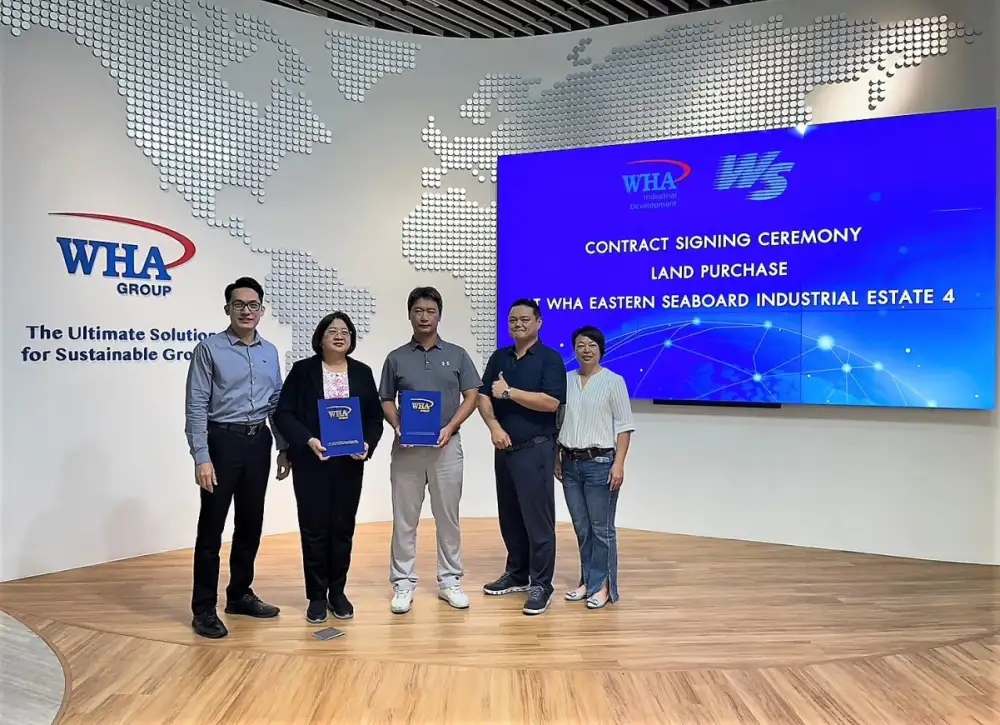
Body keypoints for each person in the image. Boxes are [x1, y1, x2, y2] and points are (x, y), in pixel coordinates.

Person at [184, 276, 290, 639]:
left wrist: (283, 446)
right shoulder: (209, 349)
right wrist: (201, 457)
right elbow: (196, 405)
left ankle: (240, 594)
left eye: (253, 305)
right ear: (227, 308)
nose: (246, 311)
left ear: (262, 310)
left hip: (258, 442)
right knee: (211, 528)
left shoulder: (269, 351)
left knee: (250, 524)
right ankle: (203, 609)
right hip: (222, 442)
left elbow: (275, 403)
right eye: (239, 304)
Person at [273, 311, 384, 624]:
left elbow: (374, 418)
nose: (339, 336)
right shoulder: (303, 371)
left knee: (342, 529)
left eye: (345, 331)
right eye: (332, 331)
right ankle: (317, 596)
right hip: (312, 463)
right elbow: (284, 414)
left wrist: (367, 444)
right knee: (314, 529)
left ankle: (338, 592)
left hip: (349, 464)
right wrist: (307, 440)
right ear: (320, 338)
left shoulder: (362, 372)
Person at [378, 287, 482, 614]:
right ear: (410, 314)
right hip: (407, 449)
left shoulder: (457, 354)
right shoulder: (396, 357)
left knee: (448, 518)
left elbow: (472, 395)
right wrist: (397, 426)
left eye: (430, 311)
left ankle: (450, 580)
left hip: (447, 448)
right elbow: (385, 399)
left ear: (439, 315)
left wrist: (450, 427)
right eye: (418, 311)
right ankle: (403, 582)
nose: (424, 317)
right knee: (404, 519)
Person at [478, 298, 567, 615]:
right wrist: (493, 426)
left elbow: (551, 402)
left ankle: (542, 584)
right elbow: (483, 395)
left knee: (538, 520)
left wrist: (509, 392)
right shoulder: (499, 357)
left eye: (525, 319)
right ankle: (517, 573)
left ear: (538, 322)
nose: (518, 324)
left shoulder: (550, 359)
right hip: (504, 448)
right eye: (513, 320)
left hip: (536, 449)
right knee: (510, 516)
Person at [556, 325, 635, 609]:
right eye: (580, 345)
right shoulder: (565, 380)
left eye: (591, 345)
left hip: (601, 464)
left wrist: (619, 464)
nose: (586, 350)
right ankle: (588, 581)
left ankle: (603, 586)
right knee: (582, 528)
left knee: (602, 529)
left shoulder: (614, 381)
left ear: (601, 349)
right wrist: (556, 458)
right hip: (570, 463)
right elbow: (557, 423)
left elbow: (624, 427)